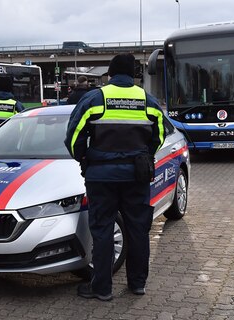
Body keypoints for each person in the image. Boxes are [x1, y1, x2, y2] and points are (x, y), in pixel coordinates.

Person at [64, 53, 167, 301]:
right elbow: (160, 135)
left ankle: (102, 288)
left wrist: (84, 158)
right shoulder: (147, 101)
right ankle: (137, 284)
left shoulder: (95, 98)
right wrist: (143, 156)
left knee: (102, 231)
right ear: (133, 74)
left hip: (101, 178)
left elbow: (73, 137)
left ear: (109, 73)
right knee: (138, 230)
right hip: (137, 177)